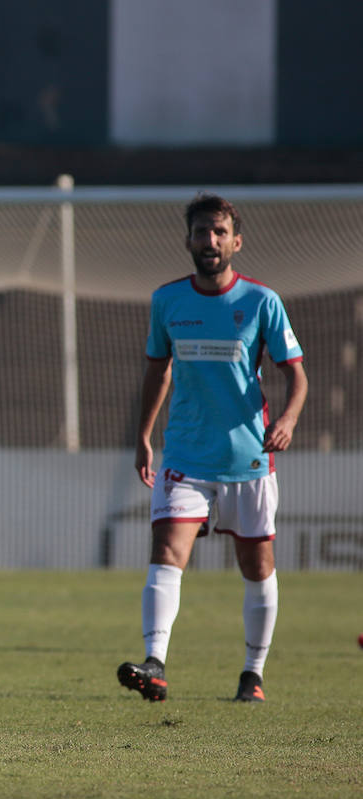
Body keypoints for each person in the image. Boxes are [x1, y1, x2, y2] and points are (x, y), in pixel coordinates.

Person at [119, 193, 307, 704]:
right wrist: (143, 437)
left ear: (236, 241)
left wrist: (287, 420)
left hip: (248, 458)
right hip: (184, 455)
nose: (210, 241)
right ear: (188, 240)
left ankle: (253, 673)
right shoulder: (168, 301)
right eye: (202, 232)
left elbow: (297, 375)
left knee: (256, 566)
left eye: (220, 233)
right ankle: (155, 664)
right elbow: (158, 369)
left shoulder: (262, 302)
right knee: (165, 552)